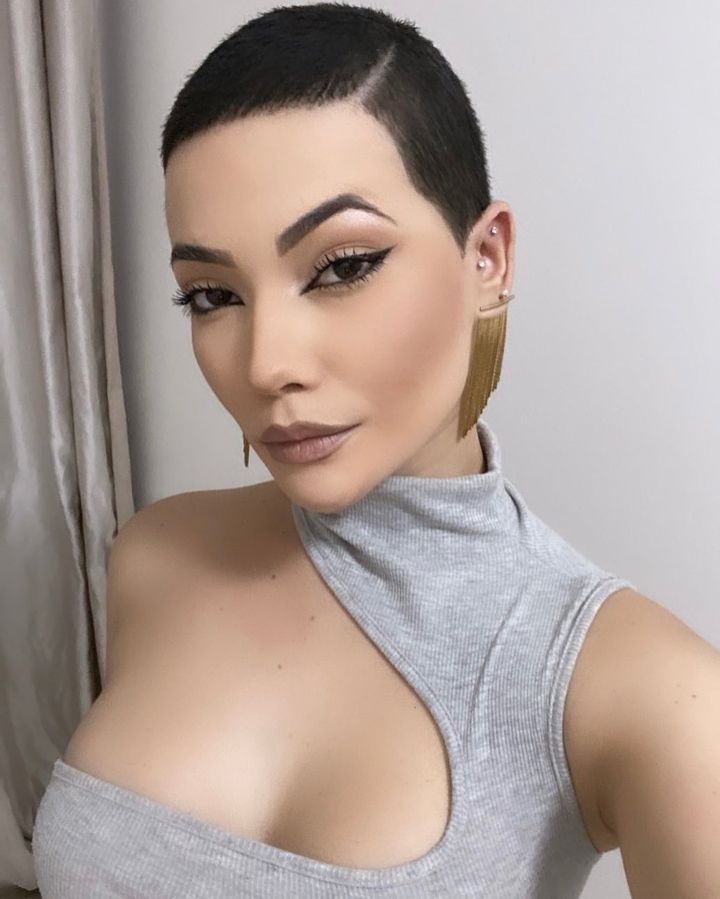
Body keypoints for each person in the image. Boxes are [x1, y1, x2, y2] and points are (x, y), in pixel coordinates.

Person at [31, 4, 720, 898]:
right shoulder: (154, 554)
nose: (266, 363)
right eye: (211, 295)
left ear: (487, 258)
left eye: (343, 265)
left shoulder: (647, 694)